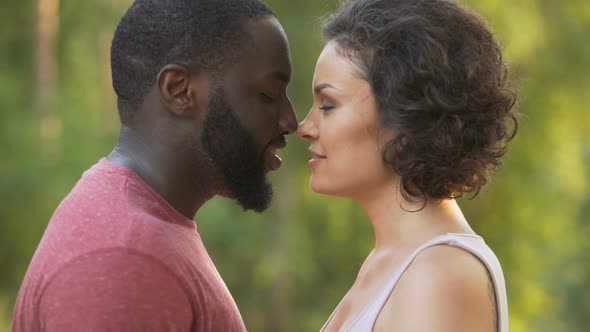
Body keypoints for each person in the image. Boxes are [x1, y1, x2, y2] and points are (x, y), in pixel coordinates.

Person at [13, 0, 297, 331]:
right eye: (268, 95)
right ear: (179, 90)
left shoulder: (144, 233)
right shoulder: (124, 258)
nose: (291, 121)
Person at [298, 0, 517, 331]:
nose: (305, 127)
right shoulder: (391, 261)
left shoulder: (439, 272)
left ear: (404, 119)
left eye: (328, 105)